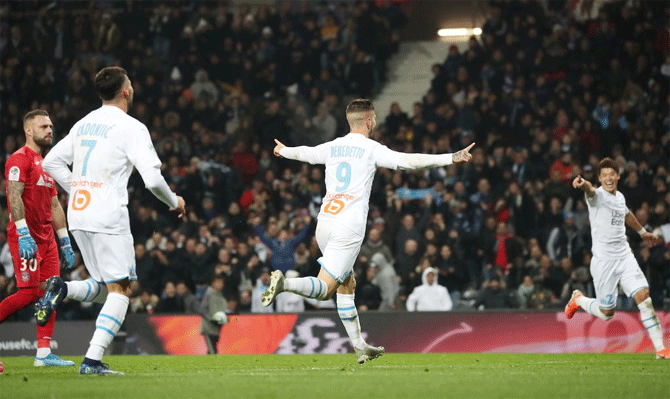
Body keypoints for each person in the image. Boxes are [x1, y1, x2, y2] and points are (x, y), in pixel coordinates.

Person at [262, 98, 475, 363]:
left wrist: (284, 151)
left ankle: (359, 345)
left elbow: (305, 152)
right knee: (327, 288)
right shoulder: (371, 149)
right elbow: (410, 161)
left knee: (346, 283)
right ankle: (285, 283)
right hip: (348, 226)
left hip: (325, 222)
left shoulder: (334, 146)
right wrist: (451, 157)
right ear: (370, 121)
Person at [35, 67, 186, 374]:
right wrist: (175, 202)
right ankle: (92, 360)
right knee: (122, 290)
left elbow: (50, 162)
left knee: (105, 287)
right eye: (130, 82)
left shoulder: (84, 123)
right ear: (126, 90)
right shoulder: (132, 127)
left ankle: (61, 289)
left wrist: (78, 188)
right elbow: (153, 181)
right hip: (107, 214)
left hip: (79, 213)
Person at [566, 157, 669, 359]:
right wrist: (584, 184)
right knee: (607, 313)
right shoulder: (597, 196)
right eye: (604, 175)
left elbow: (626, 213)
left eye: (612, 174)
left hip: (624, 256)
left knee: (644, 297)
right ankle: (579, 299)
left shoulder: (620, 197)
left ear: (618, 176)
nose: (609, 178)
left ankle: (660, 349)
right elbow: (590, 190)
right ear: (599, 178)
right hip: (604, 262)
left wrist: (642, 232)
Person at [0, 110, 76, 367]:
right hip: (26, 237)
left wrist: (64, 239)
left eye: (51, 125)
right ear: (29, 131)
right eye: (44, 126)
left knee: (51, 291)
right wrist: (22, 233)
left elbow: (55, 205)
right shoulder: (18, 159)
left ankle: (43, 354)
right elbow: (13, 196)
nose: (50, 130)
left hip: (47, 238)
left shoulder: (49, 164)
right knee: (28, 294)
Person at [200, 274, 228, 354]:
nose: (219, 285)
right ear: (213, 283)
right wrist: (211, 319)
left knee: (212, 350)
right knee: (213, 351)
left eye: (221, 283)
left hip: (216, 328)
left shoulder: (221, 296)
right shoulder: (209, 293)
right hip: (208, 327)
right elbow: (202, 309)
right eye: (217, 282)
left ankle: (204, 365)